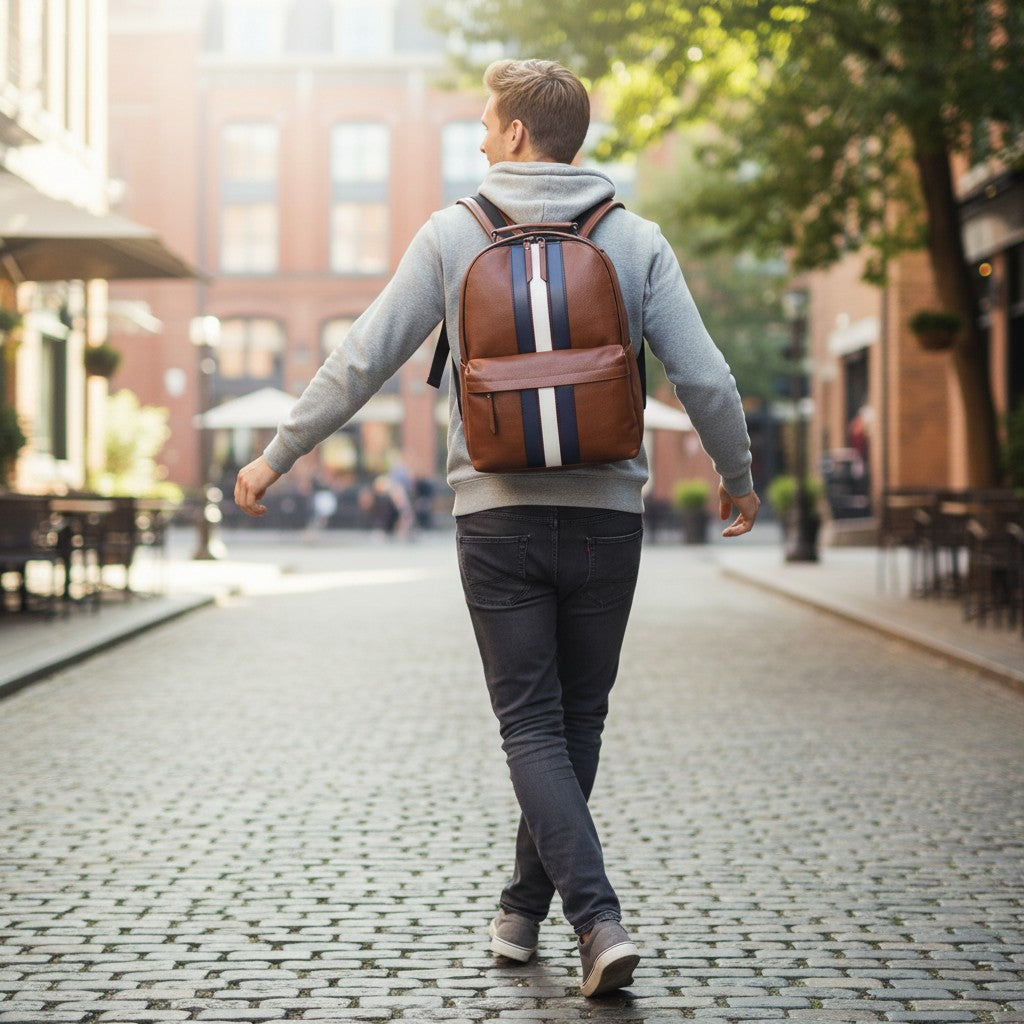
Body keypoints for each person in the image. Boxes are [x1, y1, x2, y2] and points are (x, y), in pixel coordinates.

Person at [235, 58, 760, 997]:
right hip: (606, 519)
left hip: (498, 519)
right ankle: (523, 910)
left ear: (518, 133)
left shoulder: (452, 234)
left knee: (531, 724)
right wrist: (738, 476)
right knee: (576, 720)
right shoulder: (634, 239)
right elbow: (708, 379)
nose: (479, 138)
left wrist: (277, 453)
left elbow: (363, 358)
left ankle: (591, 919)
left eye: (486, 124)